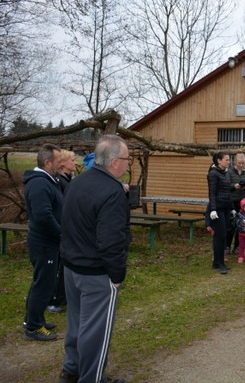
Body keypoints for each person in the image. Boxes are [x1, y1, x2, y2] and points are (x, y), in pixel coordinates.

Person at [58, 135, 131, 383]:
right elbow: (111, 241)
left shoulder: (78, 182)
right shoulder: (112, 192)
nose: (128, 163)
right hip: (96, 273)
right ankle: (91, 378)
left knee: (78, 324)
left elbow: (67, 223)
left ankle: (71, 370)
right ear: (113, 162)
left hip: (71, 267)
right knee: (96, 332)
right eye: (126, 159)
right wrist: (117, 275)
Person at [22, 144, 63, 341]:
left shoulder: (48, 181)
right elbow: (43, 216)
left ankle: (34, 318)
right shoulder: (39, 184)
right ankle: (33, 327)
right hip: (44, 242)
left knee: (42, 282)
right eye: (58, 161)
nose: (60, 164)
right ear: (47, 162)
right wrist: (61, 234)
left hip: (48, 242)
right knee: (43, 285)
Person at [47, 150, 78, 314]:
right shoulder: (59, 182)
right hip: (60, 228)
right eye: (72, 160)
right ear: (63, 163)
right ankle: (53, 299)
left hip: (69, 228)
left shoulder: (69, 179)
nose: (76, 163)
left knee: (65, 264)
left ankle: (62, 296)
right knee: (58, 265)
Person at [205, 152, 233, 275]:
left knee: (223, 235)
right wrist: (213, 209)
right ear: (219, 161)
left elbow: (228, 192)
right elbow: (212, 193)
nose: (228, 161)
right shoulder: (213, 174)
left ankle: (217, 262)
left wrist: (232, 208)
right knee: (220, 236)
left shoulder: (226, 173)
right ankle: (220, 263)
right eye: (226, 160)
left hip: (226, 208)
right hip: (218, 209)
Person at [228, 153, 245, 253]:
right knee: (231, 225)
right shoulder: (229, 172)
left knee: (242, 225)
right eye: (239, 163)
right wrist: (234, 186)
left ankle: (237, 247)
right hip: (232, 201)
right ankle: (227, 246)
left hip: (243, 202)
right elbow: (227, 186)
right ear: (235, 162)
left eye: (243, 163)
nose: (241, 165)